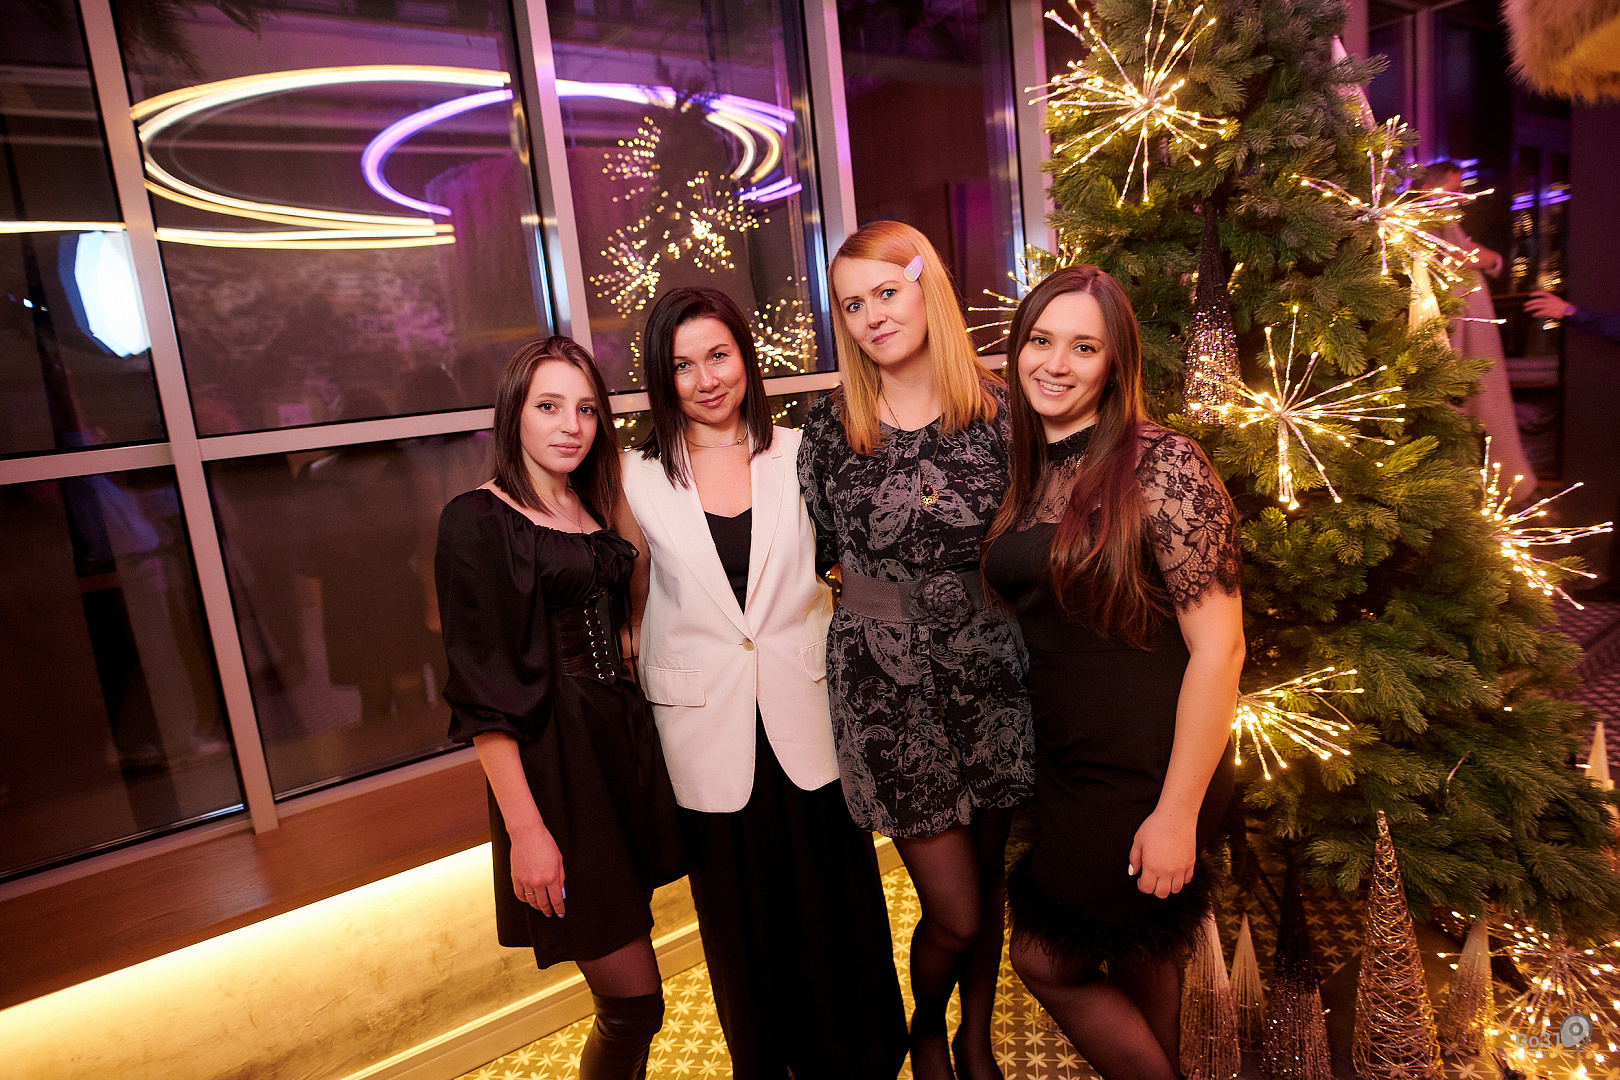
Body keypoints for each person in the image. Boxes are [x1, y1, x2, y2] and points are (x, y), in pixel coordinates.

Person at [619, 287, 908, 1079]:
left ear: (745, 357)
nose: (706, 379)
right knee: (743, 930)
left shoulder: (804, 450)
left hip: (808, 715)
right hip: (703, 731)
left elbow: (853, 563)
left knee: (837, 913)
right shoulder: (633, 476)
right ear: (661, 376)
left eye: (719, 355)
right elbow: (631, 606)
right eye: (683, 365)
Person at [982, 266, 1245, 1080]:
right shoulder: (1033, 466)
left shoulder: (1163, 463)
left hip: (1149, 764)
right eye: (1041, 340)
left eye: (1084, 347)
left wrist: (1176, 813)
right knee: (1140, 949)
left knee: (1044, 958)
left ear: (1116, 363)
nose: (1055, 364)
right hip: (1070, 757)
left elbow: (1221, 650)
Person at [797, 220, 1033, 1080]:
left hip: (991, 673)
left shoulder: (1002, 414)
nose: (872, 318)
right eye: (853, 305)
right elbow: (823, 547)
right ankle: (927, 1027)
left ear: (925, 285)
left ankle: (976, 1037)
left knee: (989, 877)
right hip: (885, 688)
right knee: (956, 910)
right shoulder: (832, 428)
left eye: (886, 293)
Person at [435, 337, 684, 1080]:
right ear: (513, 412)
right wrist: (525, 832)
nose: (570, 426)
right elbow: (483, 699)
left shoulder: (589, 504)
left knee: (633, 1002)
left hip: (619, 753)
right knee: (633, 1004)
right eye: (548, 406)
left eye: (586, 410)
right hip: (557, 770)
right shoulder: (477, 520)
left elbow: (629, 615)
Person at [1421, 161, 1537, 504]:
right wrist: (1485, 259)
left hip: (1472, 328)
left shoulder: (1451, 223)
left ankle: (1482, 488)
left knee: (1482, 407)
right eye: (1454, 189)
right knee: (1468, 407)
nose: (1461, 197)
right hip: (1454, 330)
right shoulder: (1431, 224)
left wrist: (1491, 260)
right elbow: (1457, 257)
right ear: (1430, 188)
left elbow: (1476, 256)